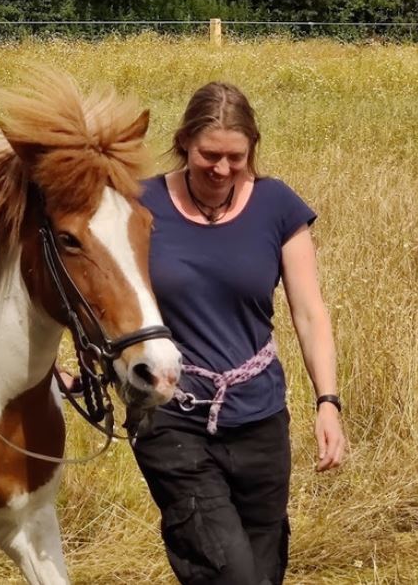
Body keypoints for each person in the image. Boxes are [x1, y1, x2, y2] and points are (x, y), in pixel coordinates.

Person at [131, 81, 346, 584]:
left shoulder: (277, 206)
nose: (222, 169)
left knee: (265, 567)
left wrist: (328, 401)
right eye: (209, 155)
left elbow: (310, 312)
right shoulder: (140, 205)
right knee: (227, 573)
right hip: (171, 415)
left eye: (236, 157)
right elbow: (105, 296)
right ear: (184, 141)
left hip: (260, 416)